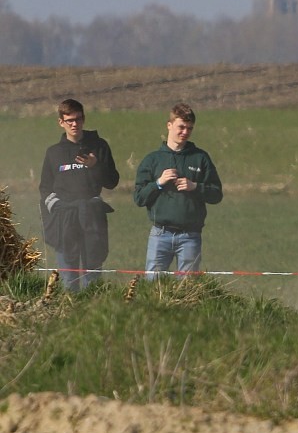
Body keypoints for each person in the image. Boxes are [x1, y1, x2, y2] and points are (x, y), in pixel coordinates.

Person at [133, 103, 223, 278]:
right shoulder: (153, 160)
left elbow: (216, 194)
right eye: (181, 127)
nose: (185, 132)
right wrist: (158, 183)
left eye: (189, 128)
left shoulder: (200, 158)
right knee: (153, 285)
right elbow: (139, 198)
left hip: (190, 236)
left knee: (187, 287)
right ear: (169, 125)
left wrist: (195, 187)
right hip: (160, 234)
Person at [39, 98, 120, 291]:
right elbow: (45, 188)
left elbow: (112, 181)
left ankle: (93, 306)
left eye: (78, 119)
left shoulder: (99, 147)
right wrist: (56, 208)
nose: (74, 124)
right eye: (69, 120)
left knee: (93, 276)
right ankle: (70, 306)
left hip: (92, 217)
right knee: (68, 278)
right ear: (61, 122)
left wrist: (95, 165)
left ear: (83, 119)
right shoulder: (53, 153)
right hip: (65, 219)